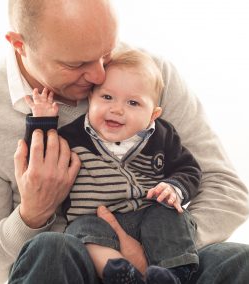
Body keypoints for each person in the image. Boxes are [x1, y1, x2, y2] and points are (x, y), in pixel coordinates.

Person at [0, 0, 249, 283]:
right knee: (50, 249)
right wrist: (33, 213)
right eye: (76, 64)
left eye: (105, 52)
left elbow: (226, 190)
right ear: (19, 44)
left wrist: (154, 254)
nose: (100, 76)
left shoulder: (147, 77)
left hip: (166, 265)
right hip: (70, 268)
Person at [23, 48, 201, 283]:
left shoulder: (162, 136)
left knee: (171, 215)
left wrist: (174, 188)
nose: (117, 109)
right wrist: (43, 120)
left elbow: (189, 169)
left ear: (153, 115)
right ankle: (119, 272)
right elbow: (42, 158)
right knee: (82, 231)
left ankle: (172, 275)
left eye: (133, 103)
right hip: (96, 219)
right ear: (90, 99)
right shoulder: (73, 137)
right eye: (107, 97)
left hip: (149, 212)